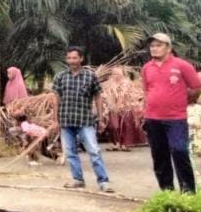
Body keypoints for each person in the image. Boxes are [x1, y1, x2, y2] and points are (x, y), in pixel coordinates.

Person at [141, 33, 201, 193]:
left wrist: (185, 100)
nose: (154, 49)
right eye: (152, 46)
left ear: (168, 48)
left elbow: (197, 87)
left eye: (159, 45)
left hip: (176, 118)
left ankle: (188, 191)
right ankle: (167, 191)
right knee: (159, 155)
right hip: (153, 118)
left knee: (179, 150)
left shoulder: (182, 65)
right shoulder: (147, 68)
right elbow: (147, 91)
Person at [52, 46, 113, 193]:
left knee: (94, 151)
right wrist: (55, 120)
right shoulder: (60, 77)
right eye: (69, 58)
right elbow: (55, 99)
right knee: (70, 152)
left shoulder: (90, 76)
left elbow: (98, 97)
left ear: (81, 59)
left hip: (85, 120)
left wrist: (100, 116)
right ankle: (78, 180)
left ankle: (103, 182)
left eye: (75, 58)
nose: (72, 61)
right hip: (66, 120)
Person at [103, 67, 144, 151]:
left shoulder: (127, 83)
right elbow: (105, 95)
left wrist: (124, 102)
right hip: (112, 108)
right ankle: (116, 143)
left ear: (122, 74)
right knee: (113, 126)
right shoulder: (109, 84)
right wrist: (109, 102)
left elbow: (133, 94)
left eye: (118, 74)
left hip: (125, 108)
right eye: (114, 74)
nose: (116, 76)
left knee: (125, 126)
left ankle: (124, 144)